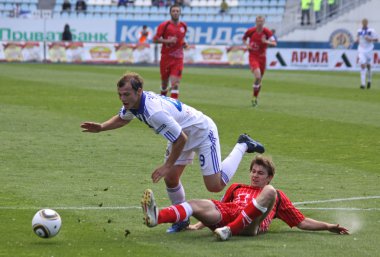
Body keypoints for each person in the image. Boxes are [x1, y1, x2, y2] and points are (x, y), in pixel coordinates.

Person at [80, 71, 265, 233]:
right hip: (181, 133)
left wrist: (167, 165)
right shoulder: (133, 104)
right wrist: (102, 127)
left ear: (139, 91)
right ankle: (181, 221)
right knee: (171, 178)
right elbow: (122, 118)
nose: (122, 99)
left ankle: (243, 144)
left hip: (201, 132)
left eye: (126, 94)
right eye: (120, 95)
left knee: (214, 186)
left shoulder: (154, 113)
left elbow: (181, 139)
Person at [141, 155, 350, 240]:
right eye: (253, 171)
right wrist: (197, 226)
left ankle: (229, 231)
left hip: (251, 226)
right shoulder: (236, 187)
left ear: (269, 177)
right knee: (197, 203)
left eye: (260, 173)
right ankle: (156, 217)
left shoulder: (273, 194)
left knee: (271, 192)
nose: (255, 176)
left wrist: (328, 226)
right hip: (229, 217)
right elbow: (220, 208)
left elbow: (301, 221)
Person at [153, 4, 188, 99]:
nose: (176, 13)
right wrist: (167, 41)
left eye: (177, 11)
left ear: (180, 12)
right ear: (170, 13)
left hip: (178, 59)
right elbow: (155, 39)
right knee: (164, 84)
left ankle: (173, 108)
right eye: (174, 11)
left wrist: (184, 44)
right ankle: (162, 102)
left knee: (175, 84)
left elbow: (181, 39)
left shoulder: (183, 26)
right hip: (166, 58)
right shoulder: (165, 25)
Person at [242, 16, 277, 107]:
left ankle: (255, 98)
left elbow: (274, 43)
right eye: (258, 21)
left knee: (259, 79)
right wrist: (247, 45)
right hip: (253, 56)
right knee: (258, 76)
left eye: (261, 21)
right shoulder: (251, 31)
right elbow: (244, 38)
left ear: (264, 22)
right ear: (256, 22)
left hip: (262, 58)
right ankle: (254, 98)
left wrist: (266, 42)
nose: (260, 23)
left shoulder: (267, 32)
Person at [356, 18, 378, 89]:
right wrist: (357, 40)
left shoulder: (371, 31)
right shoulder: (359, 30)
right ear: (362, 23)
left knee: (368, 66)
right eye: (363, 22)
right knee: (362, 65)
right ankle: (363, 84)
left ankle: (369, 80)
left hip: (369, 50)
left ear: (367, 23)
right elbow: (357, 38)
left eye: (365, 22)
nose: (364, 23)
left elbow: (377, 39)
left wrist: (370, 39)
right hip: (361, 50)